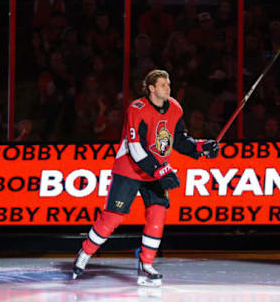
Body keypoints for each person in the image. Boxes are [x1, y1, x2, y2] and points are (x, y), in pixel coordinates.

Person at [72, 69, 220, 286]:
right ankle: (84, 254)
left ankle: (146, 264)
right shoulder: (137, 108)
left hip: (156, 169)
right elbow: (136, 148)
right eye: (162, 85)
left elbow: (179, 139)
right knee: (113, 217)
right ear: (151, 88)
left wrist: (201, 146)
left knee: (158, 214)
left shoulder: (175, 108)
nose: (167, 88)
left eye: (169, 84)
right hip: (129, 168)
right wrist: (161, 171)